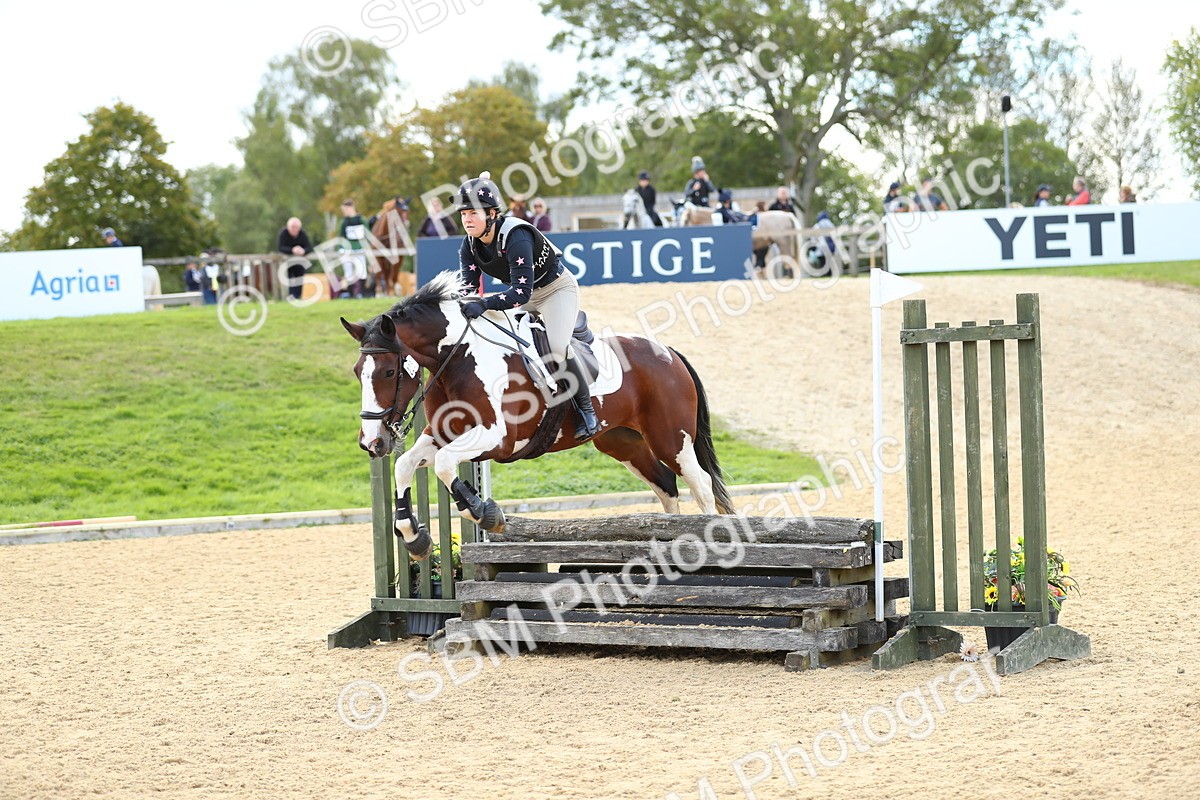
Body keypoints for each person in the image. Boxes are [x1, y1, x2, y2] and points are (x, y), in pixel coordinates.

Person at [455, 171, 599, 441]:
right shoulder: (469, 246)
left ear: (493, 214)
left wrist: (485, 304)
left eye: (473, 213)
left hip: (555, 290)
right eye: (463, 214)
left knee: (557, 348)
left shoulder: (516, 236)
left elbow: (520, 294)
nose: (467, 220)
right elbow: (469, 289)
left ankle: (587, 411)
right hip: (522, 292)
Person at [338, 199, 370, 298]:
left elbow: (367, 234)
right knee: (349, 272)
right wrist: (341, 249)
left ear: (351, 208)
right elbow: (341, 237)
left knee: (362, 271)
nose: (344, 212)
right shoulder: (344, 222)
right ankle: (352, 294)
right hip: (348, 250)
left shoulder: (361, 220)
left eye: (345, 209)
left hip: (360, 249)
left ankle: (363, 294)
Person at [277, 217, 314, 300]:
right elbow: (280, 248)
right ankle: (290, 296)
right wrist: (292, 250)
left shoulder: (302, 234)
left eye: (296, 227)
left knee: (300, 279)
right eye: (293, 227)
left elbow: (309, 247)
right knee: (289, 279)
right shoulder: (283, 234)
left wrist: (303, 251)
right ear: (288, 227)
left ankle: (298, 296)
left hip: (300, 262)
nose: (295, 229)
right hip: (287, 263)